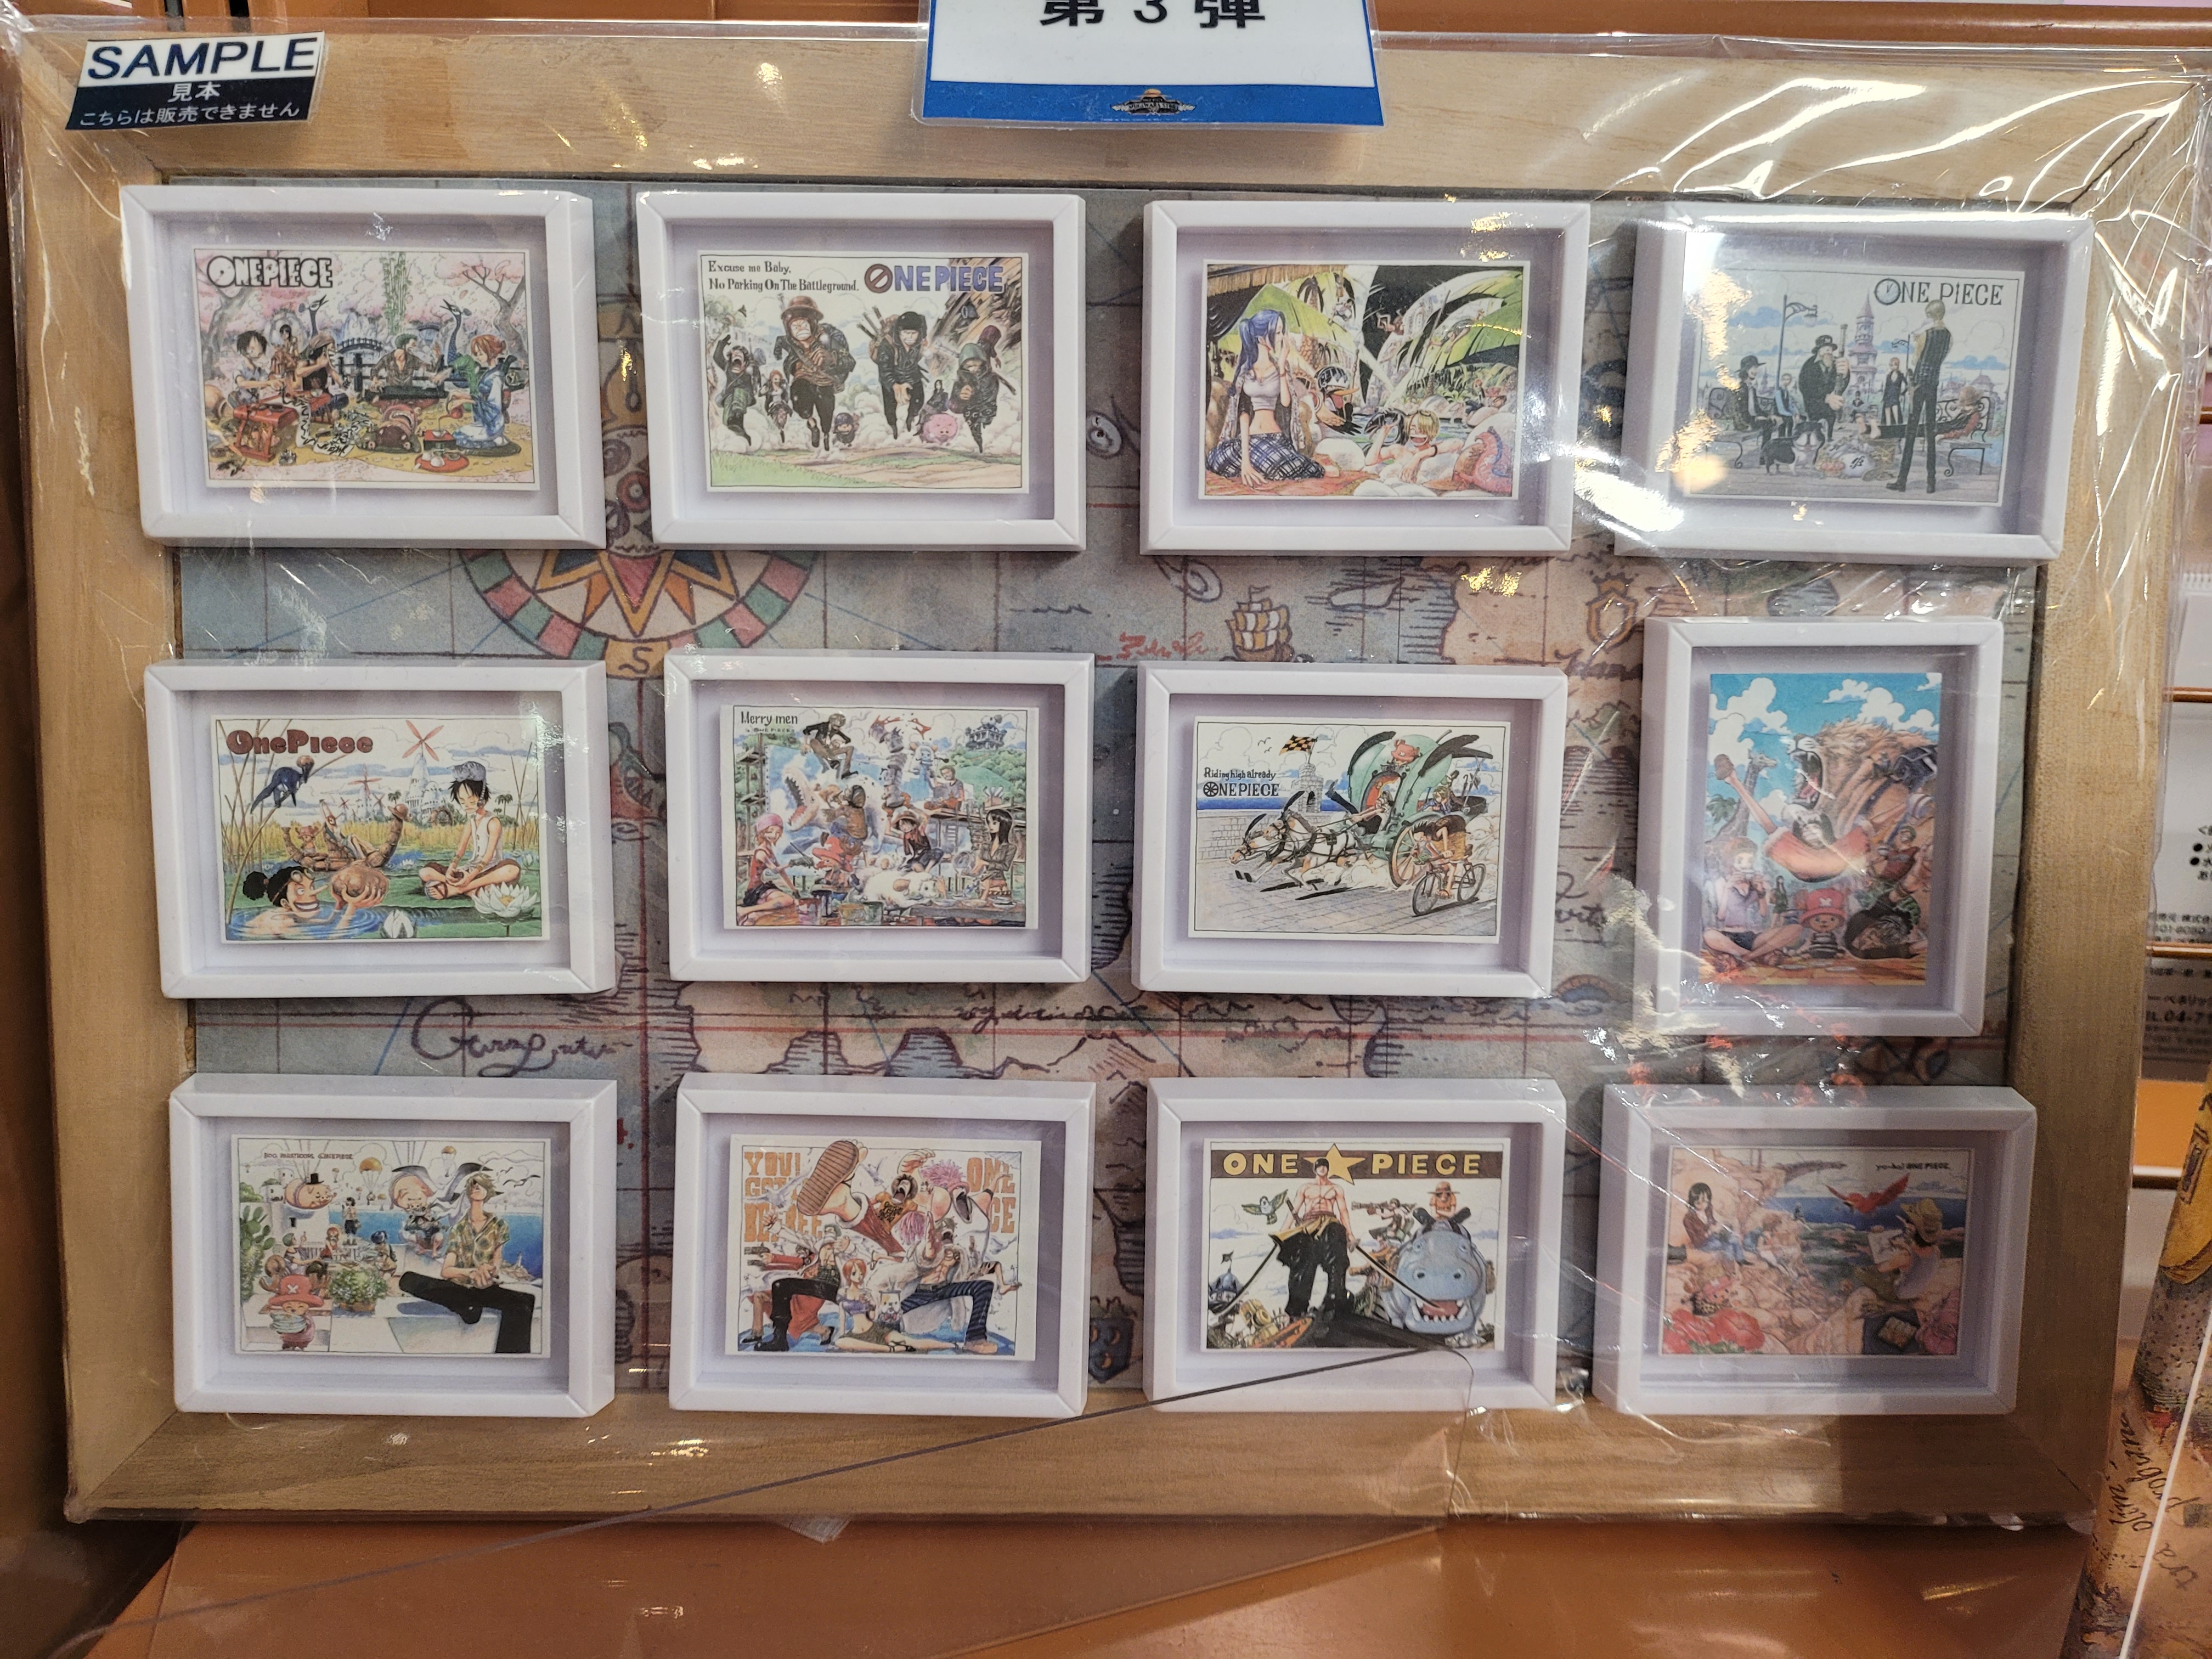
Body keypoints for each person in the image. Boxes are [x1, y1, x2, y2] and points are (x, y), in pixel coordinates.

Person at [396, 1171, 536, 1353]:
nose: (476, 1187)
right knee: (408, 1279)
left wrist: (489, 1274)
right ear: (468, 1193)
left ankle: (510, 1361)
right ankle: (465, 1304)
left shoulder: (499, 1225)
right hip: (459, 1286)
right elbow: (447, 1271)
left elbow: (496, 1261)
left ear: (488, 1192)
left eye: (481, 1185)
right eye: (473, 1185)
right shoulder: (459, 1228)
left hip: (485, 1288)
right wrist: (471, 1272)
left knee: (525, 1302)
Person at [1204, 309, 1324, 487]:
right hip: (1248, 442)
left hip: (1273, 440)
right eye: (1278, 332)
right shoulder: (1245, 371)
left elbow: (1285, 403)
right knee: (1216, 459)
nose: (1282, 337)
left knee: (1294, 466)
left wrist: (1282, 365)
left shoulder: (1280, 368)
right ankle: (1255, 465)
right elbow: (1243, 414)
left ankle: (1268, 466)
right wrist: (1246, 462)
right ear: (1261, 338)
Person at [420, 761, 524, 900]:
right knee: (425, 872)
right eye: (462, 802)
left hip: (489, 870)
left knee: (512, 870)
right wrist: (452, 868)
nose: (466, 806)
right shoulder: (471, 822)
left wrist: (469, 878)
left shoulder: (493, 822)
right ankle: (471, 890)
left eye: (471, 801)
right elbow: (461, 850)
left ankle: (460, 889)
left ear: (482, 798)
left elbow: (488, 857)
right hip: (470, 869)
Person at [897, 1222, 1000, 1354]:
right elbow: (920, 1258)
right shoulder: (931, 1254)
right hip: (923, 1290)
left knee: (984, 1286)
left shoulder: (958, 1256)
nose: (950, 1254)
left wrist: (973, 1251)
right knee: (893, 1314)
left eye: (949, 1234)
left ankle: (975, 1339)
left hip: (945, 1289)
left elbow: (972, 1268)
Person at [772, 295, 854, 452]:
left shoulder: (830, 338)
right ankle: (812, 425)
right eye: (795, 325)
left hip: (825, 381)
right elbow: (779, 342)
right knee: (800, 403)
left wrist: (832, 359)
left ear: (812, 323)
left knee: (826, 413)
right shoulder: (790, 342)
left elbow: (850, 362)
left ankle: (826, 435)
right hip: (802, 380)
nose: (800, 329)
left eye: (804, 324)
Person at [1276, 1155, 1352, 1320]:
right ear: (1315, 1169)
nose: (1322, 1168)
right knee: (1302, 1264)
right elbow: (1294, 1211)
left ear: (1328, 1169)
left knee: (1337, 1256)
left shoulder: (1336, 1189)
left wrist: (1350, 1234)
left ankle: (1335, 1300)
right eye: (1320, 1166)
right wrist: (1283, 1233)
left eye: (1325, 1166)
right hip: (1308, 1225)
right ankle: (1297, 1309)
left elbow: (1343, 1212)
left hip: (1330, 1223)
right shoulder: (1305, 1188)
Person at [1888, 299, 1951, 494]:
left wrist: (1918, 343)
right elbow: (1941, 357)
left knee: (1911, 432)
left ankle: (1902, 481)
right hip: (1933, 384)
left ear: (1931, 315)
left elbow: (1916, 360)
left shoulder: (1925, 335)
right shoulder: (1949, 336)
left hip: (1919, 386)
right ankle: (1931, 482)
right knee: (1931, 432)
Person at [871, 311, 929, 435]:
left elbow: (923, 324)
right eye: (906, 333)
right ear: (899, 332)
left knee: (918, 400)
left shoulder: (920, 341)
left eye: (914, 333)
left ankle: (911, 418)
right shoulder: (887, 346)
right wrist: (895, 385)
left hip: (912, 374)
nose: (910, 337)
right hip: (892, 377)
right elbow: (884, 370)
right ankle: (893, 427)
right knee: (890, 407)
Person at [239, 863, 321, 936]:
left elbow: (303, 921)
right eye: (301, 891)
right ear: (285, 903)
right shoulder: (283, 921)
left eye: (312, 887)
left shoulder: (281, 914)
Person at [711, 331, 761, 449]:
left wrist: (755, 365)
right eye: (734, 354)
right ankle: (742, 436)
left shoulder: (750, 369)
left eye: (740, 354)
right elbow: (717, 357)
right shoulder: (727, 367)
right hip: (729, 396)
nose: (736, 355)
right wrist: (723, 343)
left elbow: (758, 376)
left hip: (745, 395)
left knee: (739, 393)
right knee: (728, 421)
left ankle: (738, 418)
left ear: (745, 359)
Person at [1797, 335, 1844, 447]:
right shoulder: (1809, 364)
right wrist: (1824, 397)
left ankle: (1829, 438)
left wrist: (1846, 374)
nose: (1828, 350)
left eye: (1830, 348)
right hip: (1814, 401)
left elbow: (1843, 380)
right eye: (1825, 348)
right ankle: (1814, 441)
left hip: (1830, 402)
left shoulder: (1837, 363)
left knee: (1831, 418)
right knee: (1814, 423)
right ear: (1819, 350)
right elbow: (1805, 386)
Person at [1880, 354, 1908, 429]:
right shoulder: (1889, 375)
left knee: (1896, 415)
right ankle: (1888, 430)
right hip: (1888, 397)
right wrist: (1884, 398)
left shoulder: (1901, 375)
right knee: (1887, 416)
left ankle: (1897, 429)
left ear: (1898, 365)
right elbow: (1887, 387)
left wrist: (1902, 394)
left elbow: (1908, 386)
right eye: (1891, 365)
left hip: (1895, 397)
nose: (1892, 367)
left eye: (1894, 365)